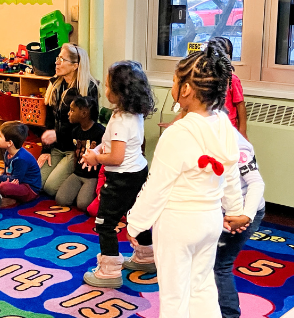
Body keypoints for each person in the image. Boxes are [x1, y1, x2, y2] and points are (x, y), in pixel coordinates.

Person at [126, 46, 246, 318]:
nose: (172, 86)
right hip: (210, 220)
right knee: (202, 286)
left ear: (187, 89)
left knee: (174, 295)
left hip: (177, 224)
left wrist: (135, 223)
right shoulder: (224, 124)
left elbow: (157, 187)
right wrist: (235, 209)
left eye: (174, 81)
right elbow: (230, 173)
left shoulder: (177, 133)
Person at [80, 60, 155, 288]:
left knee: (105, 223)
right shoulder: (132, 113)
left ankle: (109, 272)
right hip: (138, 172)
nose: (105, 90)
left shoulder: (120, 121)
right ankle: (146, 257)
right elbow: (112, 145)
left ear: (119, 92)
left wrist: (95, 158)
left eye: (109, 86)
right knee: (136, 216)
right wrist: (97, 149)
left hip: (121, 178)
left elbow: (116, 158)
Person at [215, 130, 266, 318]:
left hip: (239, 216)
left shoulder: (237, 145)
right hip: (219, 213)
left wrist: (245, 216)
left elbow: (256, 183)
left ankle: (229, 314)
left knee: (220, 266)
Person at [39, 42, 99, 196]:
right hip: (56, 147)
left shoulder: (88, 89)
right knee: (37, 182)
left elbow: (86, 126)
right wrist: (45, 150)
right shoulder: (55, 85)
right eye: (58, 58)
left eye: (62, 59)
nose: (56, 62)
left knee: (50, 188)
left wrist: (58, 134)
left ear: (75, 66)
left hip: (73, 149)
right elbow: (49, 120)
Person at [56, 96, 105, 212]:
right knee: (60, 200)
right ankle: (78, 192)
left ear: (84, 113)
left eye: (72, 110)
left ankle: (84, 194)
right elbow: (75, 153)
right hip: (78, 173)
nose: (69, 113)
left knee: (83, 204)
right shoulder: (75, 131)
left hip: (92, 176)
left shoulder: (100, 131)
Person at [0, 121, 43, 207]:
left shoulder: (21, 159)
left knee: (3, 187)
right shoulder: (8, 152)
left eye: (0, 136)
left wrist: (0, 177)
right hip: (15, 181)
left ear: (10, 143)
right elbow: (7, 172)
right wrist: (2, 177)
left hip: (29, 189)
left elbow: (16, 179)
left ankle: (10, 199)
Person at [208, 37, 247, 138]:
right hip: (209, 128)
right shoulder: (204, 79)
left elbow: (240, 105)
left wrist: (242, 131)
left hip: (228, 129)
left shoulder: (232, 80)